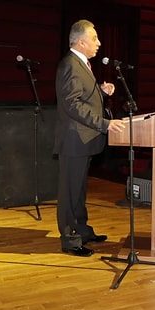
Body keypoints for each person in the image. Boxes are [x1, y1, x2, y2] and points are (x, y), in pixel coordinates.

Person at [54, 19, 126, 257]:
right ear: (82, 41)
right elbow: (72, 105)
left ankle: (82, 231)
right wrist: (104, 124)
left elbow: (81, 95)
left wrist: (99, 90)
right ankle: (70, 239)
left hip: (83, 140)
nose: (99, 43)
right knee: (69, 192)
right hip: (75, 140)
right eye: (95, 38)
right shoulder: (70, 65)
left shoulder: (81, 64)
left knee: (79, 190)